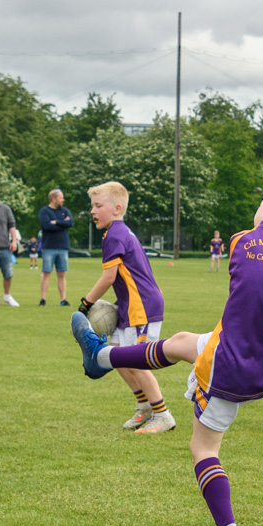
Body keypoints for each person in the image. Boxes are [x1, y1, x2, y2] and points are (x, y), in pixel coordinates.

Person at [70, 174, 263, 526]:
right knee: (179, 342)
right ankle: (102, 357)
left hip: (229, 362)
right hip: (256, 360)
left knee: (204, 449)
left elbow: (262, 258)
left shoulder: (243, 241)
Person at [77, 181, 176, 434]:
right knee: (117, 357)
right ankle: (145, 405)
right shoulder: (118, 232)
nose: (93, 210)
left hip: (140, 307)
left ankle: (163, 415)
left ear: (117, 208)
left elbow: (108, 278)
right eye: (93, 206)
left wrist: (85, 305)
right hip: (130, 306)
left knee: (137, 361)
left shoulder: (115, 235)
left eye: (98, 205)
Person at [38, 188, 75, 306]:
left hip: (63, 247)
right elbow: (47, 226)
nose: (63, 200)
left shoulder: (65, 211)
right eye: (60, 197)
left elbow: (70, 223)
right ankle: (43, 299)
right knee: (46, 273)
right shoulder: (44, 211)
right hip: (49, 247)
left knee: (61, 274)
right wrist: (62, 223)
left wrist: (56, 222)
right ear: (53, 199)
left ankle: (63, 299)